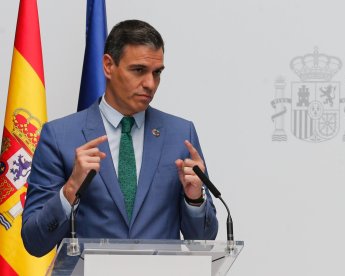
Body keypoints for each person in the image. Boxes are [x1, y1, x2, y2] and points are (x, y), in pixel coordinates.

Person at [21, 19, 218, 257]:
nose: (150, 84)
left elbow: (204, 241)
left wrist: (195, 199)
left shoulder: (180, 135)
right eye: (138, 70)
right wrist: (70, 189)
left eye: (157, 73)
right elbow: (34, 242)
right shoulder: (59, 136)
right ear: (108, 66)